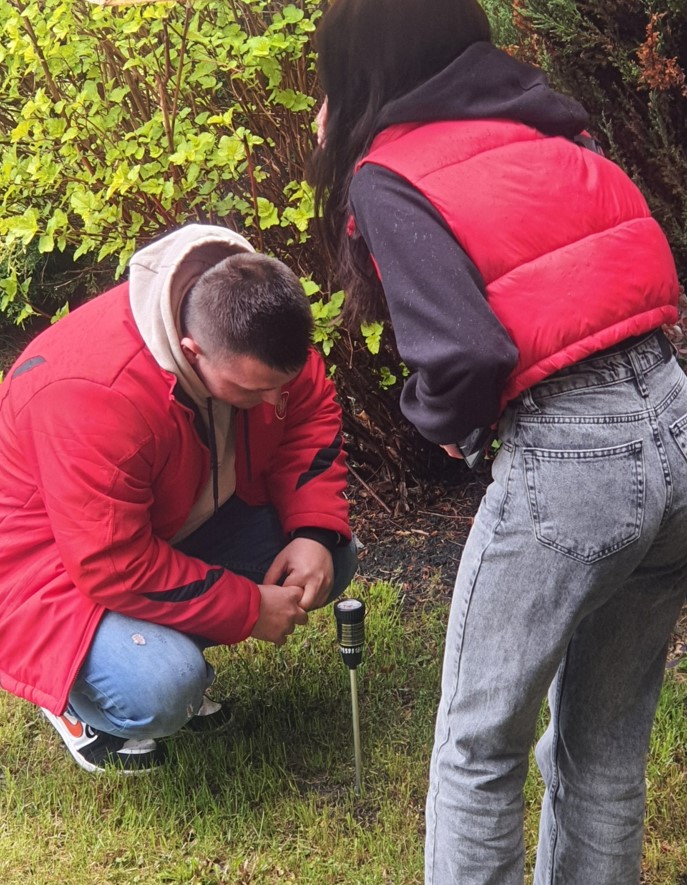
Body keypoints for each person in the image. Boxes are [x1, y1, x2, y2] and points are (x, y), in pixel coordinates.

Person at [309, 1, 687, 882]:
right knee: (601, 749)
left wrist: (447, 424)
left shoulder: (389, 173)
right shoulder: (558, 132)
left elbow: (467, 351)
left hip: (573, 460)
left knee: (478, 752)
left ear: (357, 64)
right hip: (677, 431)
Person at [0, 223, 358, 775]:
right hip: (48, 570)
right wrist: (247, 608)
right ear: (192, 353)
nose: (272, 400)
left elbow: (308, 417)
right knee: (165, 687)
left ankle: (155, 646)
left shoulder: (254, 325)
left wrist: (312, 531)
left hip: (155, 527)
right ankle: (82, 702)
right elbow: (113, 565)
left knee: (331, 557)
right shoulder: (94, 396)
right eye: (255, 391)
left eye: (277, 386)